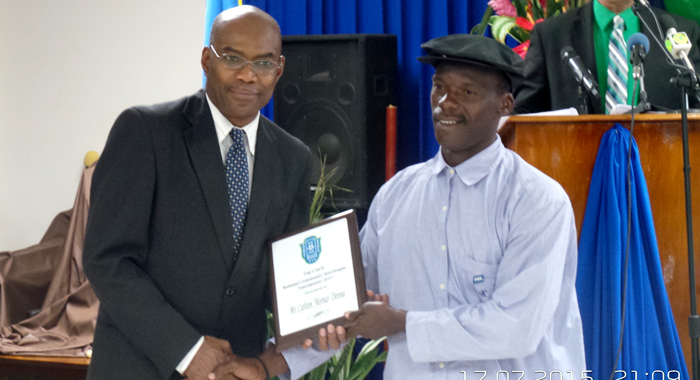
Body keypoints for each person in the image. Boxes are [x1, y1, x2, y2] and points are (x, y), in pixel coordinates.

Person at [275, 34, 587, 380]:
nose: (446, 103)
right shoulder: (395, 196)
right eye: (439, 87)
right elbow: (340, 300)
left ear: (505, 105)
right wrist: (263, 365)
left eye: (466, 92)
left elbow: (515, 326)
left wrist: (402, 323)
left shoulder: (537, 200)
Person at [83, 6, 314, 380]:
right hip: (139, 368)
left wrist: (324, 314)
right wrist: (187, 351)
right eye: (233, 58)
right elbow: (106, 260)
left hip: (236, 371)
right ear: (207, 59)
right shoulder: (145, 132)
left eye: (264, 63)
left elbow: (283, 279)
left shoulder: (294, 158)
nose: (248, 75)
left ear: (280, 69)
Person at [514, 0, 700, 114]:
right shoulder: (552, 35)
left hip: (659, 165)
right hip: (574, 167)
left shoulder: (678, 33)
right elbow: (524, 113)